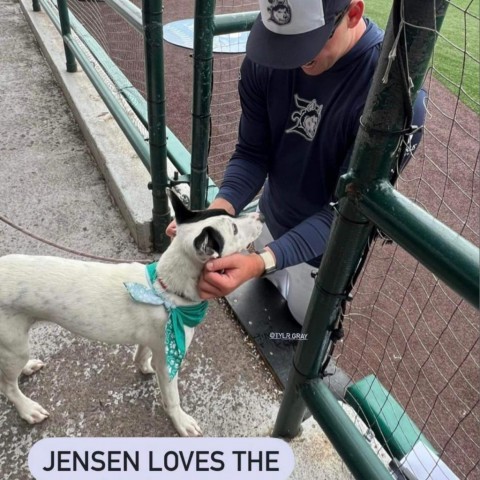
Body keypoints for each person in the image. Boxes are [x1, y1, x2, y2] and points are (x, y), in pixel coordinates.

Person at [167, 0, 426, 325]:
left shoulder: (392, 101)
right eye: (282, 39)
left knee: (301, 336)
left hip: (324, 252)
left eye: (307, 41)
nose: (290, 56)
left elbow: (345, 211)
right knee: (261, 310)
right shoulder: (268, 60)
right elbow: (252, 153)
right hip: (268, 218)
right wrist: (215, 215)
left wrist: (261, 262)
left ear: (354, 13)